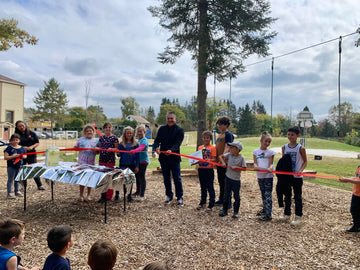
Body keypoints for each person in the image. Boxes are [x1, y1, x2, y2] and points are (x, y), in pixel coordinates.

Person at [152, 111, 184, 206]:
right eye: (168, 118)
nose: (170, 120)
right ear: (166, 119)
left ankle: (179, 197)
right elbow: (157, 140)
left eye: (172, 118)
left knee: (177, 178)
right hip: (163, 159)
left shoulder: (179, 130)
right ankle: (169, 195)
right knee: (166, 178)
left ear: (175, 119)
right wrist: (156, 147)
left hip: (174, 158)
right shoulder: (162, 129)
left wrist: (171, 150)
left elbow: (178, 143)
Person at [281, 126, 307, 226]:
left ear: (297, 136)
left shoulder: (301, 148)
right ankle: (287, 213)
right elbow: (283, 161)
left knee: (297, 197)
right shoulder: (284, 147)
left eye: (292, 135)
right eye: (288, 135)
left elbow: (305, 162)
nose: (290, 137)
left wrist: (300, 170)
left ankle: (298, 216)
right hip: (287, 176)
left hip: (297, 177)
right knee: (287, 196)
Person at [218, 141, 246, 218]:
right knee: (226, 195)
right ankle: (225, 210)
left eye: (232, 147)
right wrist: (223, 163)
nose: (230, 148)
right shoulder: (229, 155)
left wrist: (236, 168)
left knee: (236, 196)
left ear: (237, 149)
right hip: (228, 178)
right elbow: (220, 156)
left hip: (236, 180)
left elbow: (244, 169)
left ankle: (236, 212)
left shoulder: (241, 158)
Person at [15, 120, 45, 190]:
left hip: (32, 154)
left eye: (23, 125)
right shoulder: (16, 135)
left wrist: (31, 147)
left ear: (25, 125)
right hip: (21, 154)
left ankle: (39, 185)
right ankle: (23, 186)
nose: (22, 127)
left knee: (34, 169)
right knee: (23, 170)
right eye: (20, 126)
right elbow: (14, 144)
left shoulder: (32, 133)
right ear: (17, 127)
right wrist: (23, 147)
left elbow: (37, 142)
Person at [191, 130, 216, 212]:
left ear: (210, 139)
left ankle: (211, 204)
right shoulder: (200, 147)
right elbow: (198, 158)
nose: (206, 139)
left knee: (210, 187)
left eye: (207, 138)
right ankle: (202, 202)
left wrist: (207, 160)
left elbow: (214, 159)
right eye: (204, 138)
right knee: (203, 187)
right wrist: (194, 162)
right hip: (201, 169)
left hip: (209, 170)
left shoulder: (212, 148)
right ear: (202, 138)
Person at [253, 131, 275, 221]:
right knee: (263, 193)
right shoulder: (256, 151)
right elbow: (255, 162)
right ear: (261, 141)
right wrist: (255, 166)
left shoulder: (271, 152)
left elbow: (271, 163)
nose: (267, 143)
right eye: (266, 141)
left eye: (269, 142)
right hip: (260, 176)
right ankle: (265, 208)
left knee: (268, 194)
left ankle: (268, 214)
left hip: (268, 176)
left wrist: (270, 168)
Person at [74, 125, 99, 202]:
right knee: (82, 179)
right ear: (85, 132)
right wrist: (79, 148)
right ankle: (81, 195)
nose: (89, 132)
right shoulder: (81, 140)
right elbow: (75, 148)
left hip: (91, 163)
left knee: (90, 179)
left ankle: (88, 195)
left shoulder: (96, 141)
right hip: (82, 163)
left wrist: (95, 150)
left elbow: (98, 152)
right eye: (87, 131)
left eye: (90, 131)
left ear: (93, 132)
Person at [116, 126, 139, 202]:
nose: (129, 134)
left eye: (131, 133)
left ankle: (129, 195)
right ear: (125, 134)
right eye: (127, 133)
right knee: (120, 179)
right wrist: (118, 153)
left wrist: (137, 166)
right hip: (123, 164)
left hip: (132, 164)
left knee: (130, 181)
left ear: (133, 134)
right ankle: (117, 194)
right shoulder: (122, 144)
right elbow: (119, 155)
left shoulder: (136, 144)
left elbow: (137, 156)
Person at [97, 123, 119, 203]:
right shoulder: (101, 138)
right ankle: (102, 195)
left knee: (109, 178)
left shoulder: (114, 138)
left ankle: (109, 197)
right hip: (102, 160)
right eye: (106, 127)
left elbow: (117, 149)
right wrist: (97, 149)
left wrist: (112, 149)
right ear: (103, 129)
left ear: (111, 129)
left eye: (109, 127)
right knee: (102, 179)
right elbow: (99, 148)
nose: (108, 129)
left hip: (110, 160)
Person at [214, 116, 234, 205]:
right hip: (219, 162)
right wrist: (215, 159)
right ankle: (221, 198)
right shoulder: (220, 135)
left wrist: (222, 159)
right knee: (221, 181)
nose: (218, 126)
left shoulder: (228, 135)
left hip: (225, 162)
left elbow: (228, 147)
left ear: (226, 125)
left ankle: (228, 201)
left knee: (226, 182)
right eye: (218, 125)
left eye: (220, 124)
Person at [3, 134, 27, 199]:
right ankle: (9, 192)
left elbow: (25, 156)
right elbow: (6, 157)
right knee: (10, 179)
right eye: (13, 140)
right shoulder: (8, 148)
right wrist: (14, 156)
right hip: (11, 166)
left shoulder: (22, 148)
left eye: (16, 140)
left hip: (19, 166)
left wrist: (22, 156)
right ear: (10, 141)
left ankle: (17, 190)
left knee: (17, 179)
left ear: (19, 140)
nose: (15, 141)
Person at [130, 125, 150, 201]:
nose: (139, 133)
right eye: (138, 131)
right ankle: (138, 191)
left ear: (144, 132)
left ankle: (142, 195)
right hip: (138, 162)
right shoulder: (137, 140)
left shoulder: (145, 140)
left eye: (141, 131)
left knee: (142, 177)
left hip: (144, 161)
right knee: (137, 177)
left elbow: (141, 148)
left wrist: (134, 151)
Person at [339, 165, 360, 232]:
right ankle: (357, 224)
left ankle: (357, 227)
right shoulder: (359, 167)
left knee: (355, 210)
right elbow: (357, 178)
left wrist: (348, 180)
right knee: (354, 210)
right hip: (356, 193)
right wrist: (346, 179)